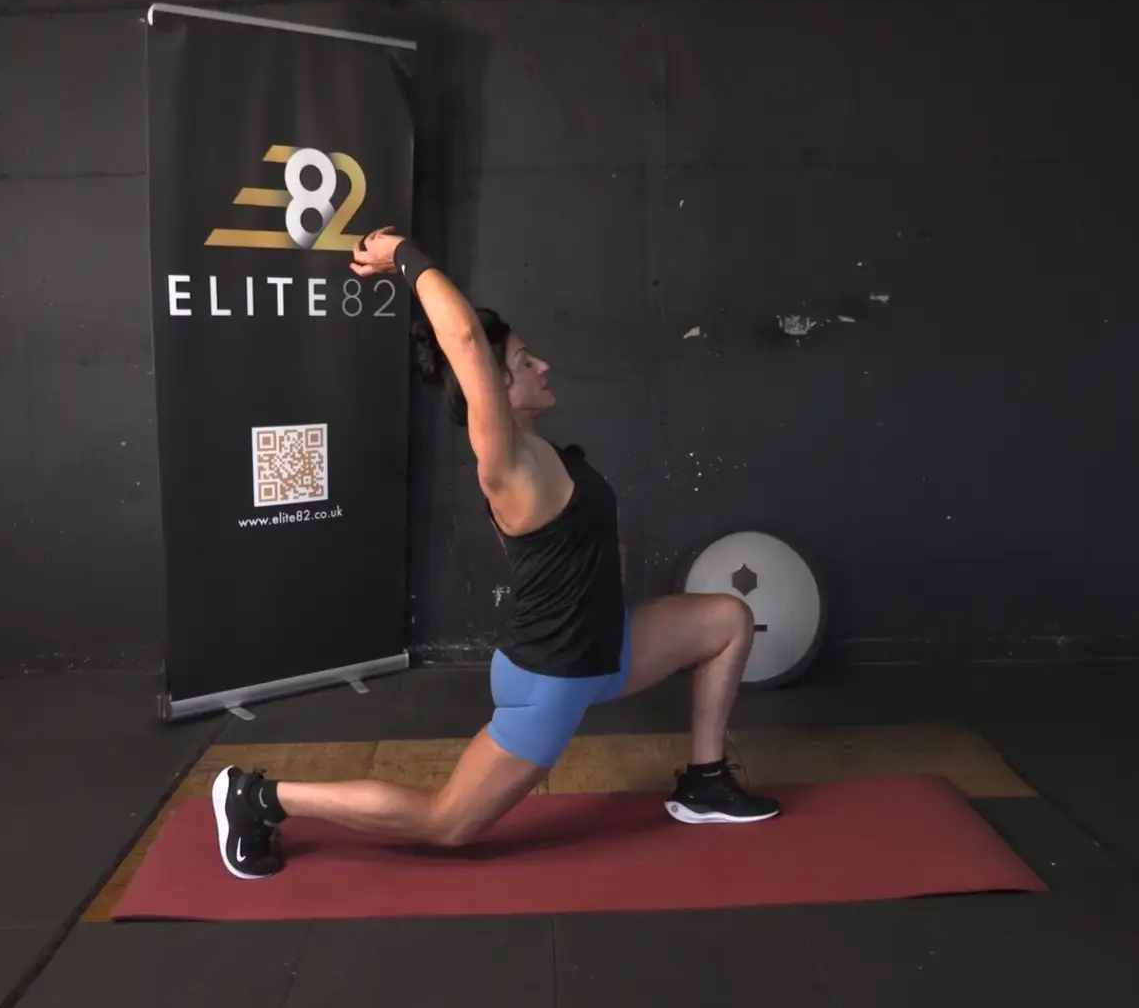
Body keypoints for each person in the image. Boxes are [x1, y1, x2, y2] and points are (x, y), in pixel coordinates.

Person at [212, 226, 776, 879]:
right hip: (551, 679)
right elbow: (463, 343)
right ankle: (258, 798)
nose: (543, 367)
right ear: (496, 386)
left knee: (727, 621)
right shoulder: (505, 463)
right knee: (447, 823)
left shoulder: (550, 456)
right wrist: (405, 261)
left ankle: (705, 782)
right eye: (525, 361)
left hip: (606, 648)